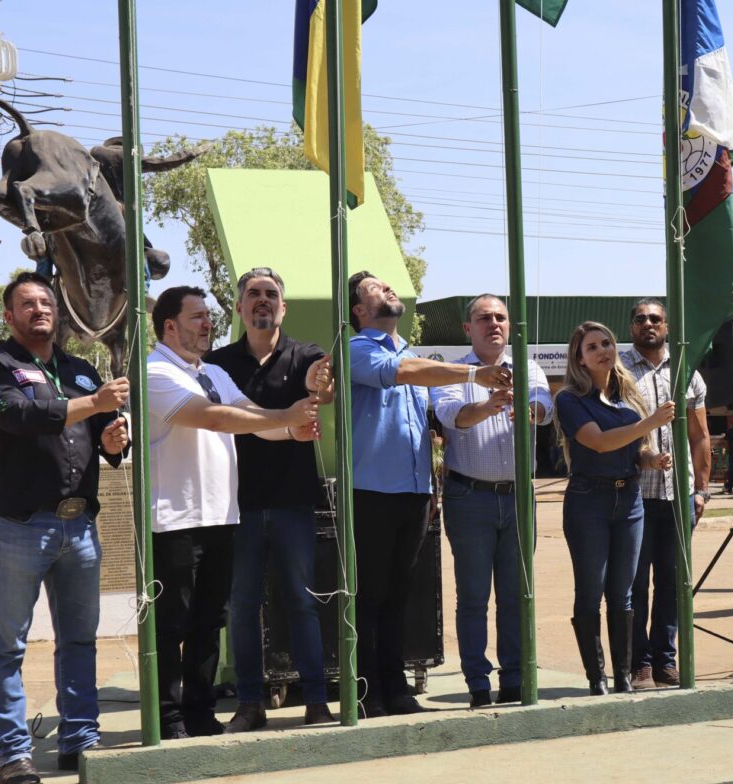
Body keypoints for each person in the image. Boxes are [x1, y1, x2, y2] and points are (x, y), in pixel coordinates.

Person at [0, 272, 130, 784]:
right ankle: (15, 755)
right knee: (8, 647)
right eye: (27, 303)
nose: (40, 309)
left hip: (79, 525)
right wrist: (95, 405)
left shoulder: (81, 371)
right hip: (21, 528)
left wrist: (110, 438)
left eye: (46, 302)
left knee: (80, 641)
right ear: (9, 316)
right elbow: (22, 417)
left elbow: (107, 449)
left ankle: (79, 741)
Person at [147, 285, 322, 739]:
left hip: (221, 517)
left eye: (208, 316)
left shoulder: (210, 372)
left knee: (208, 625)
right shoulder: (154, 371)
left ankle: (200, 714)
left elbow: (252, 417)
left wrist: (293, 430)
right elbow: (216, 418)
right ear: (170, 326)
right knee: (173, 625)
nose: (208, 324)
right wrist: (287, 414)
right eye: (197, 317)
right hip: (175, 521)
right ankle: (168, 718)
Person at [348, 272, 512, 716]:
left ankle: (395, 687)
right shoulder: (357, 350)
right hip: (370, 493)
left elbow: (426, 427)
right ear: (360, 311)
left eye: (388, 285)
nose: (387, 290)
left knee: (400, 594)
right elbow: (399, 373)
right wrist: (476, 374)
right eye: (375, 289)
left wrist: (433, 485)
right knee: (370, 596)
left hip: (415, 493)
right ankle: (367, 691)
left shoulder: (414, 354)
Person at [204, 268, 336, 733]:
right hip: (234, 505)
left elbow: (324, 389)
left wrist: (323, 383)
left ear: (284, 307)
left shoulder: (307, 355)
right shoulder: (215, 364)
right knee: (241, 606)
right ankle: (250, 704)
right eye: (253, 294)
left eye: (271, 295)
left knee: (302, 602)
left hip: (293, 501)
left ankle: (317, 701)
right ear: (239, 306)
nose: (262, 301)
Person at [429, 294, 552, 708]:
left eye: (500, 317)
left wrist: (529, 409)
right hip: (470, 498)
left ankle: (515, 678)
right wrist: (489, 404)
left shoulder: (528, 366)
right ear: (468, 329)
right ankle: (478, 684)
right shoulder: (453, 372)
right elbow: (453, 418)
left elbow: (545, 408)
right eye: (484, 318)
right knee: (474, 597)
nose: (494, 324)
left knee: (517, 595)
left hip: (518, 497)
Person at [555, 321, 673, 695]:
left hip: (630, 499)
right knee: (591, 589)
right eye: (592, 347)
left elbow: (632, 450)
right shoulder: (570, 399)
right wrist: (649, 423)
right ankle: (596, 678)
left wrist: (650, 458)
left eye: (607, 342)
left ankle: (623, 675)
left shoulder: (627, 395)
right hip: (589, 499)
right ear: (580, 358)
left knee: (623, 592)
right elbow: (600, 443)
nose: (603, 350)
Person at [621, 300, 710, 689]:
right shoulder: (618, 370)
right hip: (634, 496)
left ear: (667, 326)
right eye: (640, 319)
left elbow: (699, 435)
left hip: (679, 498)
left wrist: (702, 490)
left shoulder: (686, 370)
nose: (648, 324)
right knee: (635, 584)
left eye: (655, 318)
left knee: (673, 583)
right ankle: (638, 662)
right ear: (631, 327)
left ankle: (665, 660)